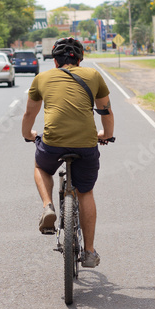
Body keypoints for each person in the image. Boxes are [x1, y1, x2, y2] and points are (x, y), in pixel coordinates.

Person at [21, 37, 114, 268]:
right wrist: (106, 135)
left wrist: (28, 134)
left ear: (55, 61)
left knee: (41, 167)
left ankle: (48, 207)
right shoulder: (93, 76)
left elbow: (29, 115)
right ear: (80, 60)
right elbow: (106, 112)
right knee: (85, 193)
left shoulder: (41, 78)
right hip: (86, 142)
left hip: (54, 142)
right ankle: (89, 252)